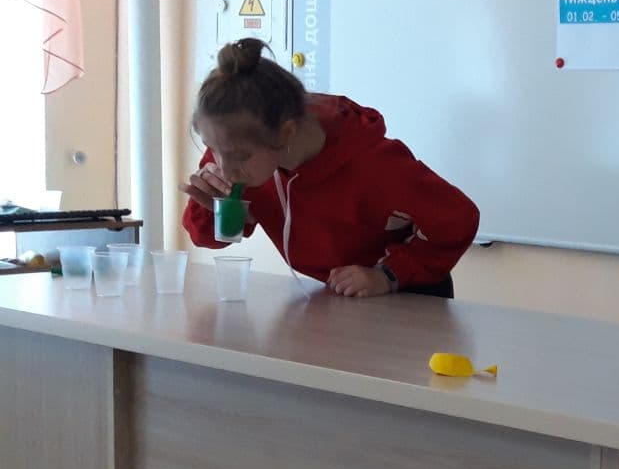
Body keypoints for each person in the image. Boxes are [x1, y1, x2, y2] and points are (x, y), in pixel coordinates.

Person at [181, 38, 479, 298]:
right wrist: (211, 208)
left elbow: (459, 219)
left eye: (238, 156)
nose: (224, 167)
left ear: (285, 134)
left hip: (409, 297)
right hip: (339, 298)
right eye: (211, 148)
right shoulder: (234, 145)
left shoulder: (374, 165)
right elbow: (210, 238)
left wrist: (389, 274)